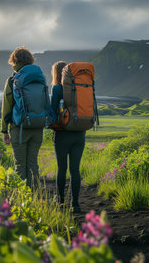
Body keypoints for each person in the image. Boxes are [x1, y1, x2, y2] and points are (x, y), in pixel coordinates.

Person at [1, 46, 43, 189]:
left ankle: (22, 199)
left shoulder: (13, 80)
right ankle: (36, 197)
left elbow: (6, 107)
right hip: (38, 126)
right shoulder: (40, 77)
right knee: (33, 164)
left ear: (15, 61)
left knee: (20, 165)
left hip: (19, 128)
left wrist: (4, 130)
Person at [50, 61, 86, 213]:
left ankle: (61, 203)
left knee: (62, 168)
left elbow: (52, 110)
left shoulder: (57, 88)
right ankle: (75, 204)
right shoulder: (80, 87)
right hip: (80, 133)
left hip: (63, 133)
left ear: (56, 73)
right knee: (75, 170)